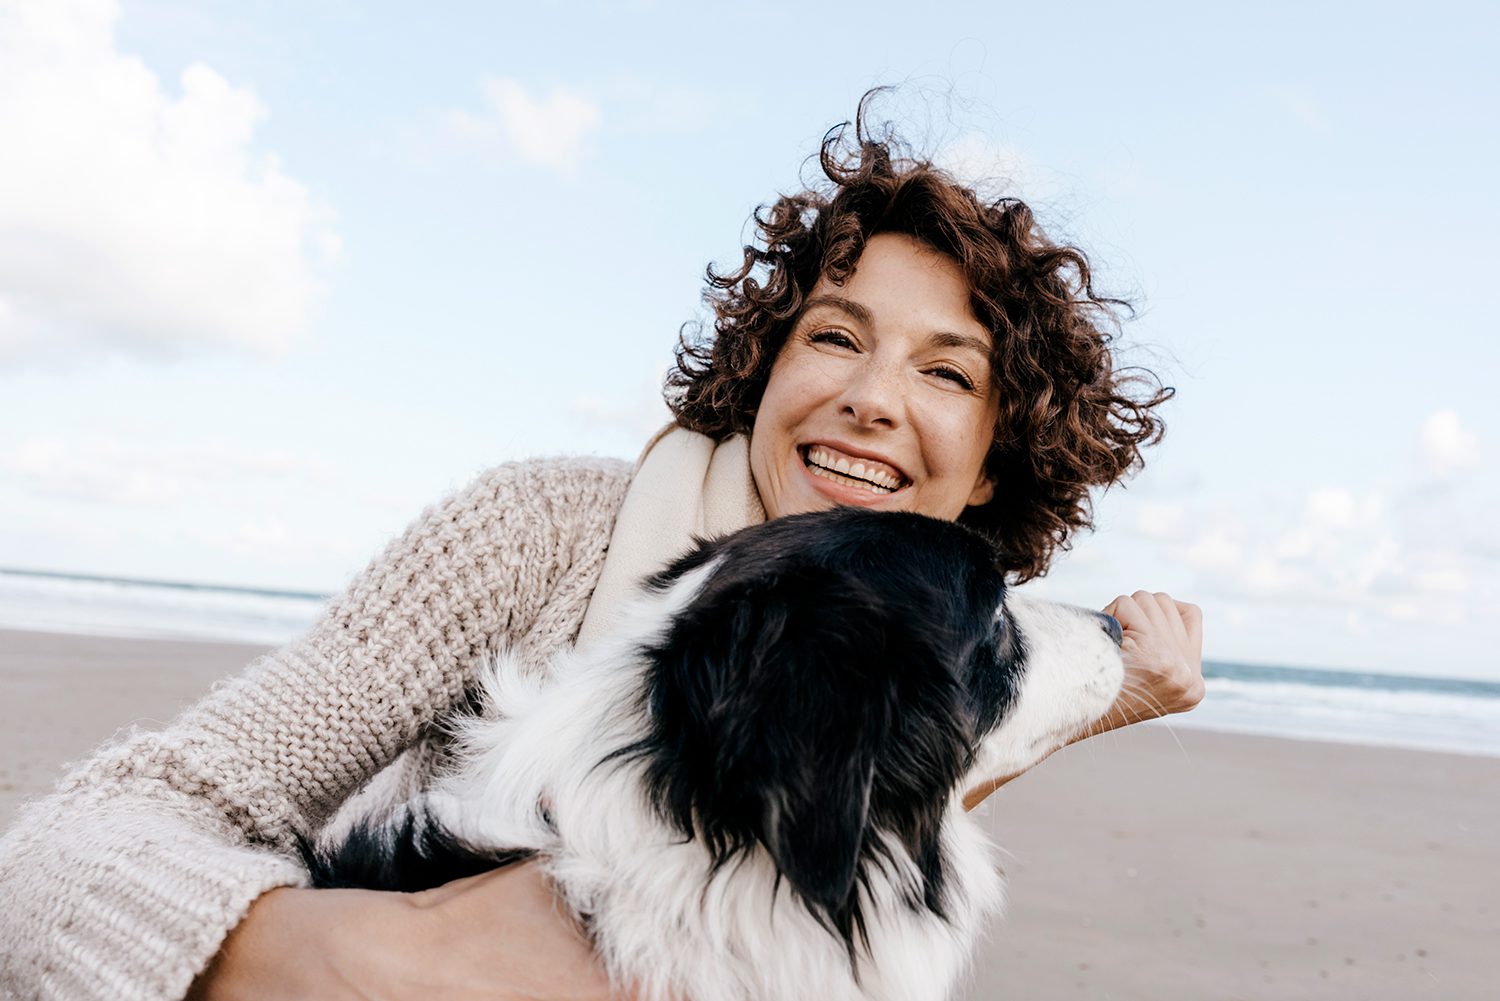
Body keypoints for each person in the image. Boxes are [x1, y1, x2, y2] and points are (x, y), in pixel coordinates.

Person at [0, 93, 1204, 1001]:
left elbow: (857, 806)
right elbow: (67, 850)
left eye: (947, 370)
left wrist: (1113, 690)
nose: (873, 398)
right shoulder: (539, 533)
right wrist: (383, 958)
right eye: (837, 337)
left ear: (997, 455)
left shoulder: (925, 660)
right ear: (770, 360)